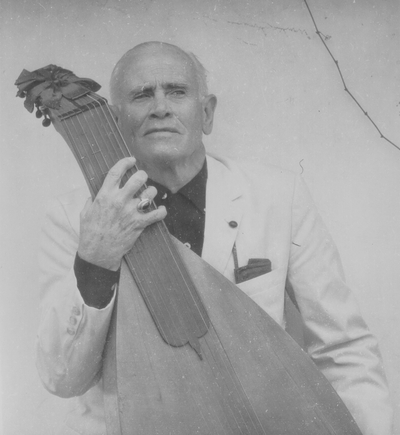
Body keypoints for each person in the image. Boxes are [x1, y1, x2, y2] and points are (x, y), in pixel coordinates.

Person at [36, 41, 392, 435]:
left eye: (176, 91)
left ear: (206, 113)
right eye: (141, 95)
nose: (160, 108)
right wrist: (95, 258)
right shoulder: (74, 218)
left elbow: (344, 349)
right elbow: (62, 378)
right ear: (115, 122)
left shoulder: (277, 196)